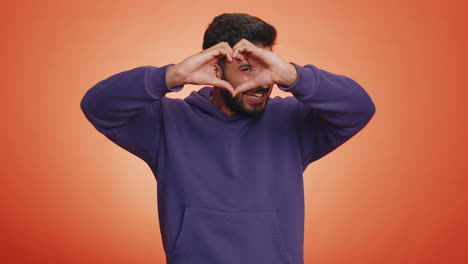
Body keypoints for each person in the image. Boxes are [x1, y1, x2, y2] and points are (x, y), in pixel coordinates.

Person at [81, 13, 375, 264]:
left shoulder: (292, 121)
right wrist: (170, 76)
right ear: (215, 68)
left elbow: (359, 108)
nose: (261, 81)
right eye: (246, 68)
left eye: (267, 67)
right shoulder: (166, 123)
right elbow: (97, 105)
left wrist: (290, 74)